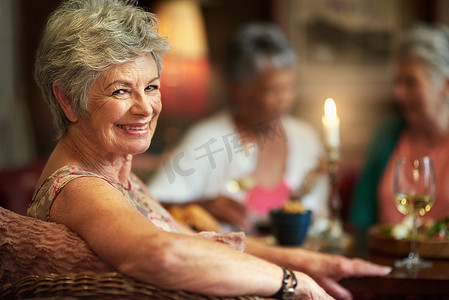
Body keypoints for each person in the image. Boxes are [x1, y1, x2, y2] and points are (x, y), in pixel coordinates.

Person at [27, 1, 390, 299]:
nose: (145, 107)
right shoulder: (79, 187)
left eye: (151, 87)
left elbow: (188, 241)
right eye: (121, 90)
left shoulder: (121, 179)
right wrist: (292, 282)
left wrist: (307, 263)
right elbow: (164, 254)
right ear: (67, 101)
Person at [148, 23, 330, 234]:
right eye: (273, 91)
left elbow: (321, 217)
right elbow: (150, 204)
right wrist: (201, 206)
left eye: (290, 87)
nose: (285, 100)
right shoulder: (207, 139)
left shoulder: (305, 137)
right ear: (238, 89)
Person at [351, 23, 449, 229]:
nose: (399, 93)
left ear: (446, 85)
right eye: (397, 82)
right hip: (384, 257)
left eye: (411, 82)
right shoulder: (386, 134)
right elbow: (361, 217)